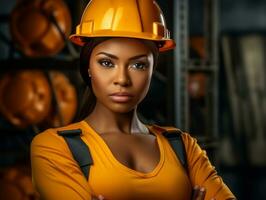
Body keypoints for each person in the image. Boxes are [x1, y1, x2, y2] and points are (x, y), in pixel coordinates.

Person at [30, 0, 236, 200]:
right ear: (88, 68)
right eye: (106, 63)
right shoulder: (54, 148)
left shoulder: (182, 145)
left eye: (138, 65)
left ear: (152, 70)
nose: (122, 79)